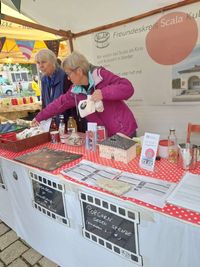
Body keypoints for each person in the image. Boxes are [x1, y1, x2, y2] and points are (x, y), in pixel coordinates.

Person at [32, 51, 137, 137]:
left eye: (69, 74)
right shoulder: (75, 90)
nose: (68, 78)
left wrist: (104, 93)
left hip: (124, 131)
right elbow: (58, 104)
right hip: (104, 136)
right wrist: (39, 117)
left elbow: (128, 88)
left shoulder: (100, 75)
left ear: (79, 71)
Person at [35, 49, 84, 129]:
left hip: (68, 123)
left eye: (43, 62)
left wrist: (72, 124)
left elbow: (72, 102)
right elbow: (44, 102)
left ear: (53, 62)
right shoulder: (43, 80)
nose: (40, 66)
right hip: (53, 124)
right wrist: (42, 118)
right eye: (38, 63)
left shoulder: (65, 76)